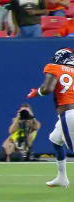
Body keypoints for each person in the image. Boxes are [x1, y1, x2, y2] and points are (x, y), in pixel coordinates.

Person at [27, 47, 74, 188]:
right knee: (55, 138)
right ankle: (62, 178)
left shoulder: (55, 67)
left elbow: (47, 89)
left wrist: (38, 92)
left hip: (69, 114)